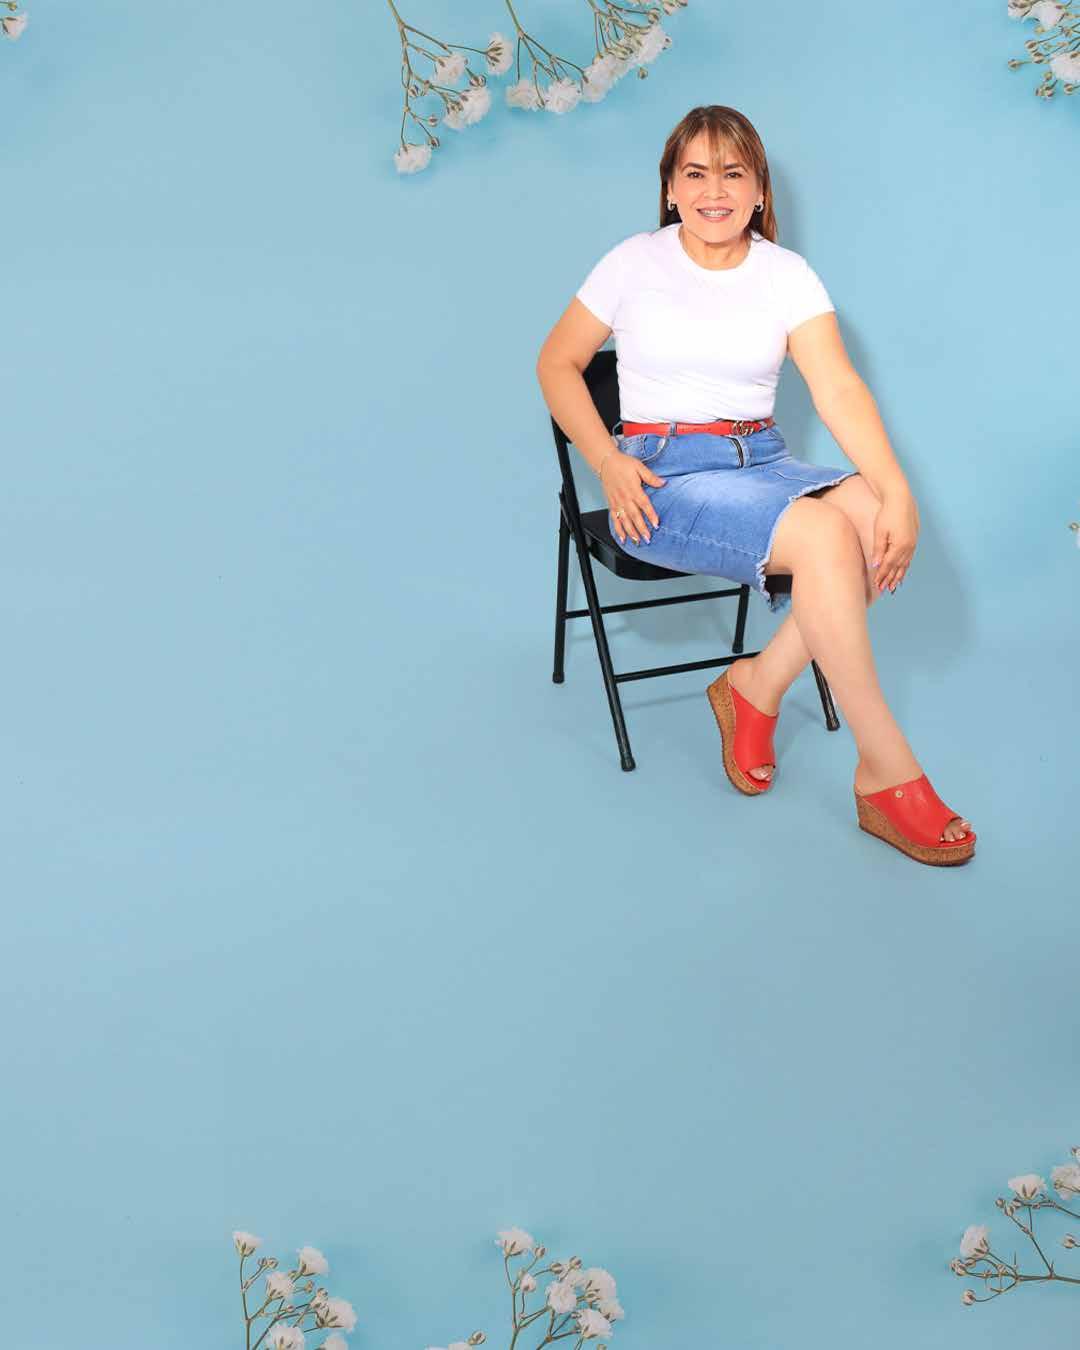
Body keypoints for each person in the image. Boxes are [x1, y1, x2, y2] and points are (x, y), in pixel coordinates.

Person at [535, 104, 975, 867]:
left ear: (760, 189)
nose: (715, 191)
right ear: (670, 188)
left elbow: (837, 386)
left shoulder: (785, 274)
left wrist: (898, 490)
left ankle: (757, 684)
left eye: (733, 173)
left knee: (870, 512)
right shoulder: (634, 262)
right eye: (695, 173)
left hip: (763, 461)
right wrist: (606, 460)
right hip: (664, 474)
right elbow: (556, 363)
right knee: (826, 535)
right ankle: (884, 768)